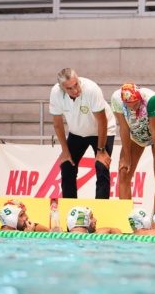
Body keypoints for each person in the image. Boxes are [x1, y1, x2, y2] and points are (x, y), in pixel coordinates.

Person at [50, 68, 116, 199]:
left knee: (102, 166)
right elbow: (57, 123)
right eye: (69, 88)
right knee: (67, 165)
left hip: (101, 130)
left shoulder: (91, 89)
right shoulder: (55, 93)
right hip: (77, 132)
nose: (75, 90)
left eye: (76, 84)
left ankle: (100, 209)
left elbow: (102, 121)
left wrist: (101, 150)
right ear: (61, 89)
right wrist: (65, 150)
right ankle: (70, 210)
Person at [110, 82, 155, 209]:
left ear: (140, 98)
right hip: (136, 133)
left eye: (136, 104)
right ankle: (126, 220)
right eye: (129, 106)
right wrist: (127, 156)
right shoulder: (116, 99)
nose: (133, 108)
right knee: (123, 172)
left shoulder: (152, 99)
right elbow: (124, 128)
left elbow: (154, 130)